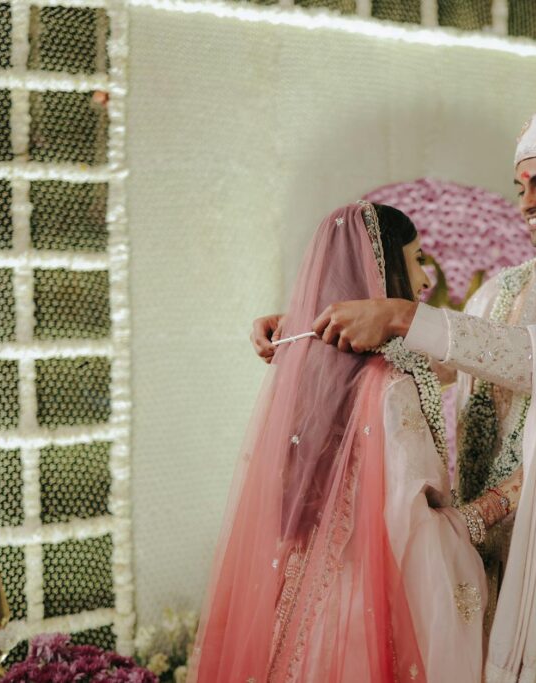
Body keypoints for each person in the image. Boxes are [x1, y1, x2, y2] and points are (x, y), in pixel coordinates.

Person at [254, 86, 536, 681]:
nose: (526, 201)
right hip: (490, 541)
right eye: (520, 186)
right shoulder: (499, 291)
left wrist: (403, 316)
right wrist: (310, 332)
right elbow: (427, 364)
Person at [191, 201, 486, 683]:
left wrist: (302, 321)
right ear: (385, 271)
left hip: (304, 611)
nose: (424, 279)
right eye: (416, 260)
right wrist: (497, 504)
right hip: (363, 626)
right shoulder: (391, 386)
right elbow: (418, 536)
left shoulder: (310, 375)